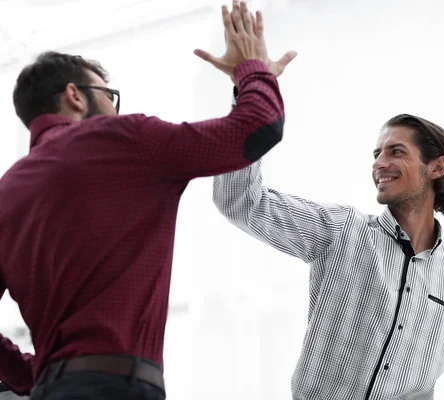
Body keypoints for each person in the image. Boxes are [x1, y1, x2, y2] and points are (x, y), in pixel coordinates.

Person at [0, 2, 296, 399]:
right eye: (108, 95)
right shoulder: (123, 140)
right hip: (118, 388)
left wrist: (34, 377)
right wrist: (252, 69)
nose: (112, 107)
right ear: (74, 95)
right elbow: (259, 125)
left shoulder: (7, 192)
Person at [213, 112, 444, 398]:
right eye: (376, 154)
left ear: (436, 167)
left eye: (396, 152)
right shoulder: (342, 231)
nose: (379, 164)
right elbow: (241, 201)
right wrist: (251, 106)